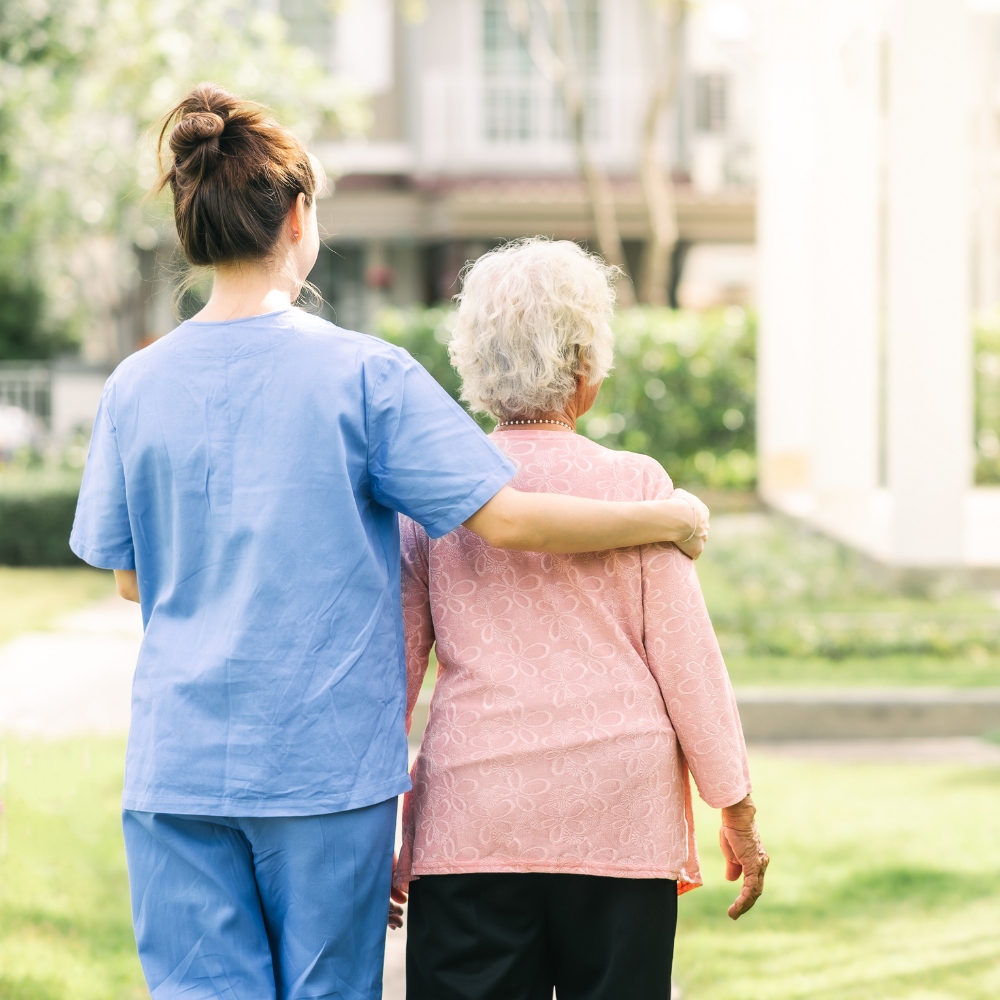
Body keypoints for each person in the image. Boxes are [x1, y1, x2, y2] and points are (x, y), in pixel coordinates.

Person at [68, 86, 712, 1000]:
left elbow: (132, 579)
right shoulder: (364, 374)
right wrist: (665, 518)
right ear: (299, 217)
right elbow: (508, 517)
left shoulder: (133, 386)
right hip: (323, 773)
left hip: (177, 767)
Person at [395, 238, 769, 1000]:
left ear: (475, 361)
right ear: (583, 365)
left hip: (473, 821)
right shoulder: (638, 487)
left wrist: (377, 832)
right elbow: (688, 667)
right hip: (617, 819)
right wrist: (737, 810)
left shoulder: (435, 497)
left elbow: (389, 677)